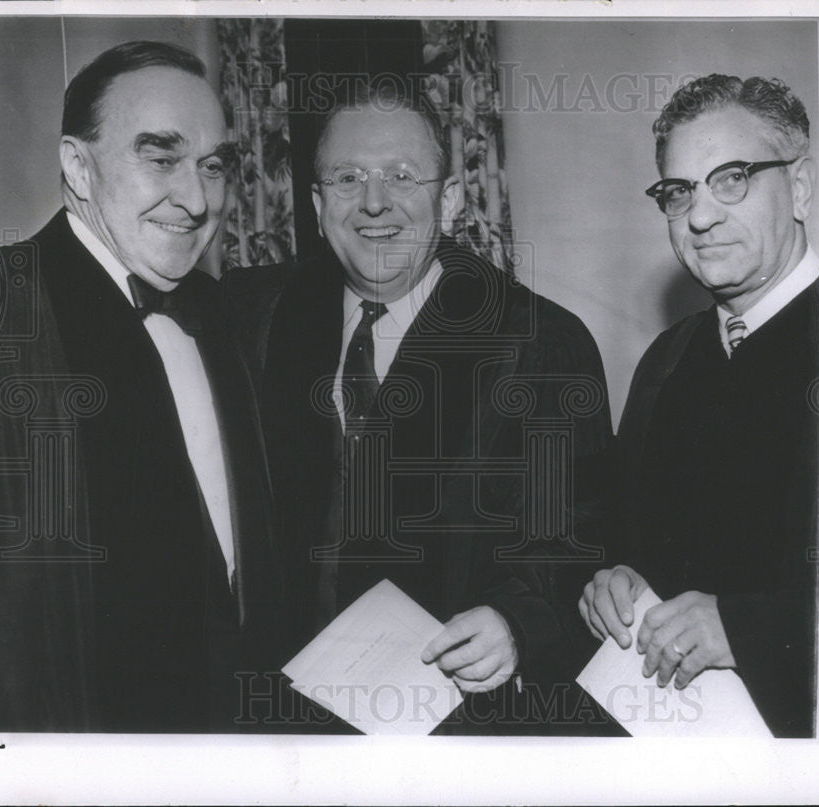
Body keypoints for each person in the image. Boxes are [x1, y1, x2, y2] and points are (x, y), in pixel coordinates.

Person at [226, 82, 616, 733]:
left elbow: (577, 532)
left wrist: (517, 622)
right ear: (318, 205)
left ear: (452, 197)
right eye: (347, 178)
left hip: (463, 724)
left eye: (402, 176)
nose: (374, 201)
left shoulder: (539, 341)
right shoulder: (258, 324)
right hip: (289, 724)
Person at [0, 41, 289, 732]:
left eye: (214, 166)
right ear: (77, 166)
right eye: (160, 157)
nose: (196, 198)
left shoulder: (222, 317)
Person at [579, 74, 819, 737]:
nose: (701, 215)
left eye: (733, 178)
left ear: (799, 188)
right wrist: (613, 579)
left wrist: (746, 628)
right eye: (680, 191)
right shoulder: (667, 359)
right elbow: (627, 539)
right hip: (665, 735)